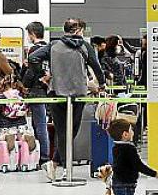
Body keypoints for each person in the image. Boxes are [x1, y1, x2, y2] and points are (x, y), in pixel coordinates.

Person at [31, 18, 106, 181]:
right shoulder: (85, 46)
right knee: (72, 131)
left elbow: (33, 58)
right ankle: (65, 168)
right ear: (78, 30)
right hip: (78, 94)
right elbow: (96, 66)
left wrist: (43, 75)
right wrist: (102, 84)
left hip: (56, 92)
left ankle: (55, 164)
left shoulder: (53, 45)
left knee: (62, 131)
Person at [107, 119, 158, 195]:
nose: (133, 132)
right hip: (127, 183)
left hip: (116, 182)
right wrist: (153, 173)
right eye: (131, 130)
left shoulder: (116, 147)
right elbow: (138, 165)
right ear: (125, 134)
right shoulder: (129, 149)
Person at [22, 21, 50, 165]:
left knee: (39, 125)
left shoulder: (34, 50)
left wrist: (24, 85)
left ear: (32, 34)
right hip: (47, 90)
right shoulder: (49, 48)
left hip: (36, 90)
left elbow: (31, 72)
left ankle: (43, 156)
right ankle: (42, 154)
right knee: (41, 124)